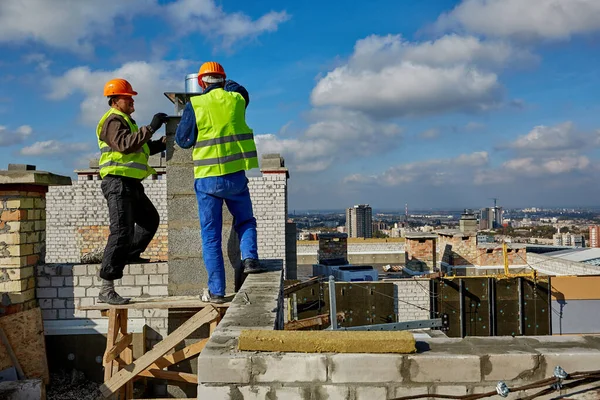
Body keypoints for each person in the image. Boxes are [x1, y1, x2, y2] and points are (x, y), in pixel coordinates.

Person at [175, 61, 266, 304]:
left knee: (211, 235)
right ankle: (250, 260)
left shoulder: (196, 104)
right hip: (235, 176)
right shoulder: (236, 99)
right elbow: (242, 90)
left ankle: (216, 291)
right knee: (245, 220)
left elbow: (183, 141)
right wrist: (227, 84)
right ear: (224, 80)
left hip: (207, 180)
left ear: (202, 82)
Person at [96, 78, 169, 305]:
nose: (132, 103)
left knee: (149, 220)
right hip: (118, 183)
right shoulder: (113, 121)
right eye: (129, 99)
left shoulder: (127, 121)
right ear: (116, 101)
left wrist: (165, 141)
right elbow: (125, 145)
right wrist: (152, 126)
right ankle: (106, 288)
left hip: (131, 184)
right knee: (121, 232)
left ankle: (128, 255)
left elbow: (141, 147)